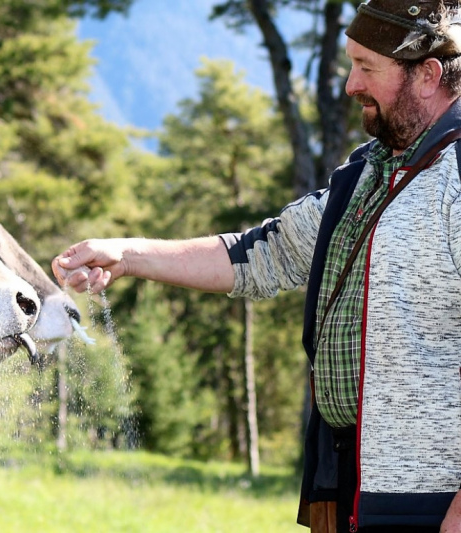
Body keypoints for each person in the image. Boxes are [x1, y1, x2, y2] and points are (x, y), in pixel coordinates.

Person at [52, 2, 461, 532]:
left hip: (432, 499)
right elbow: (261, 254)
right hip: (350, 483)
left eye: (367, 67)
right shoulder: (367, 175)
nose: (349, 85)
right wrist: (127, 255)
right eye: (350, 64)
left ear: (426, 75)